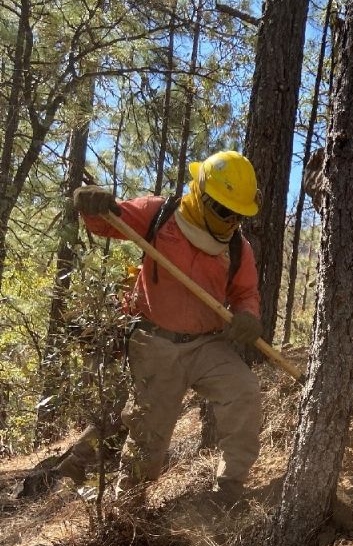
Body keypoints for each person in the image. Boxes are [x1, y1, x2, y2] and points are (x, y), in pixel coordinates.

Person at [72, 150, 263, 506]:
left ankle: (230, 490)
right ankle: (126, 510)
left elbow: (245, 293)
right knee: (149, 436)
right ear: (203, 195)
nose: (232, 220)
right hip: (155, 342)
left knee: (245, 393)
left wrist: (248, 316)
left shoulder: (238, 248)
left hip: (207, 345)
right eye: (225, 211)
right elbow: (108, 222)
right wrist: (93, 205)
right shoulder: (160, 214)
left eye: (239, 213)